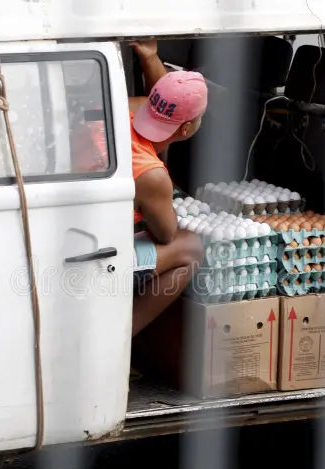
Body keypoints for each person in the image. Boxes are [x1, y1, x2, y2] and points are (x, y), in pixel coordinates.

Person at [128, 40, 208, 337]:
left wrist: (149, 56)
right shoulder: (152, 175)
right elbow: (166, 233)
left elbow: (157, 97)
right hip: (96, 256)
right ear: (186, 129)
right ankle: (123, 340)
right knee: (189, 246)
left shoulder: (124, 110)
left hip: (68, 235)